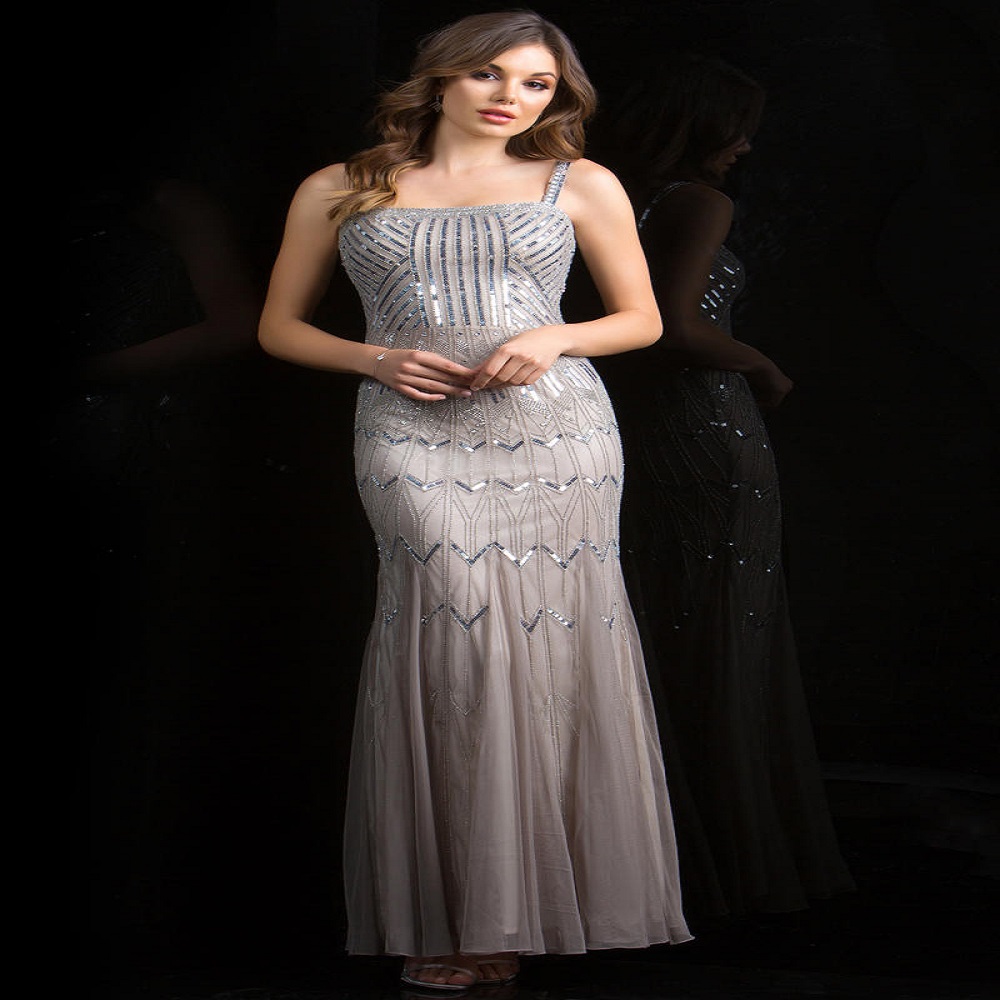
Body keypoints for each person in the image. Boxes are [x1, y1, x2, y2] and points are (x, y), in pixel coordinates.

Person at [257, 9, 692, 992]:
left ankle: (523, 912)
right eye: (491, 74)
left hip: (556, 439)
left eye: (537, 84)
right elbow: (280, 327)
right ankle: (452, 909)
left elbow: (642, 319)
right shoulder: (341, 185)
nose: (511, 97)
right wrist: (372, 357)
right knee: (446, 637)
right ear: (442, 76)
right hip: (408, 435)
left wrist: (555, 336)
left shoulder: (578, 182)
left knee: (548, 645)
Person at [590, 53, 856, 920]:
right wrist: (761, 364)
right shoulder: (697, 201)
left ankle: (659, 855)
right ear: (700, 121)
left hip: (629, 427)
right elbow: (673, 326)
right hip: (704, 427)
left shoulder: (596, 194)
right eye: (738, 127)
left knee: (662, 619)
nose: (745, 146)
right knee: (718, 626)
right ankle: (726, 863)